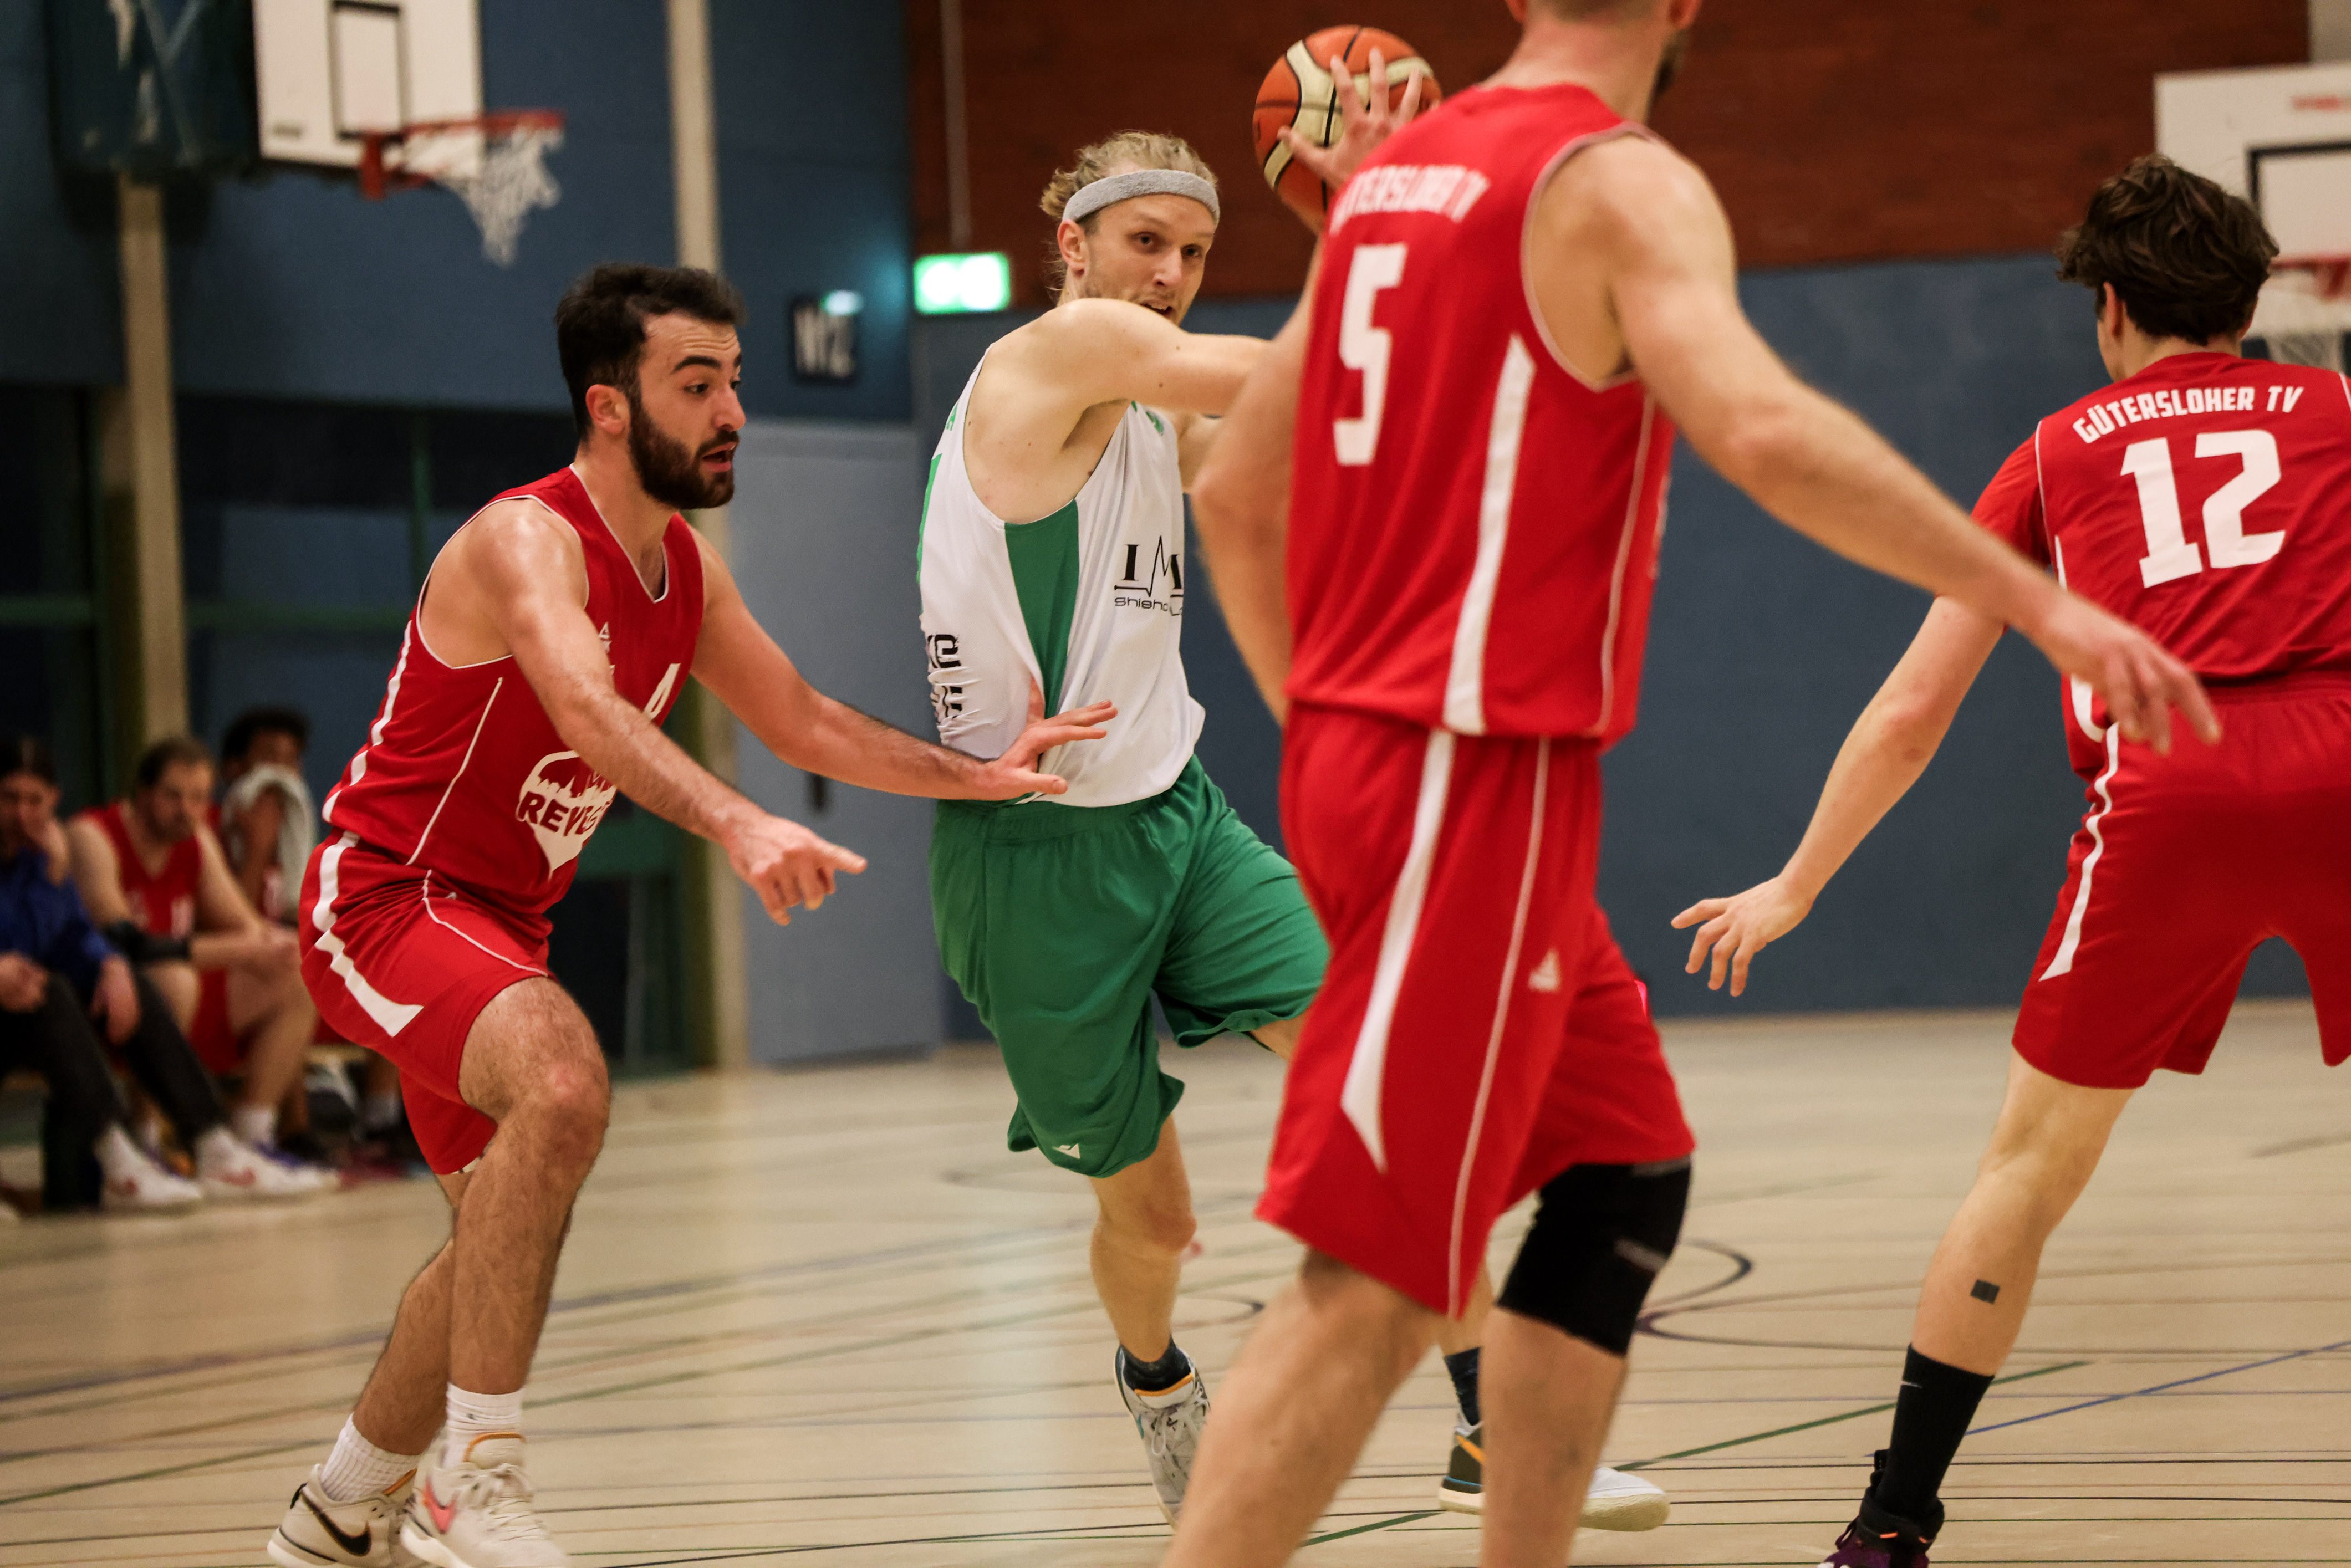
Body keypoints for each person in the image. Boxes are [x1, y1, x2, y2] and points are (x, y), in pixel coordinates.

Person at [1176, 2, 2219, 1565]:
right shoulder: (1613, 178)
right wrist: (2039, 601)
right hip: (1463, 773)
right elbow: (1764, 431)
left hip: (1415, 765)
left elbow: (1236, 499)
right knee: (1377, 1276)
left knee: (1619, 1169)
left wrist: (1332, 729)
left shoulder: (1389, 183)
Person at [265, 262, 1109, 1568]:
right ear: (609, 406)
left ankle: (336, 1507)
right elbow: (587, 707)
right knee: (562, 1083)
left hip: (499, 927)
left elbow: (804, 718)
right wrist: (737, 822)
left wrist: (980, 773)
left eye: (735, 383)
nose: (732, 413)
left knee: (497, 1228)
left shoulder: (686, 574)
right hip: (387, 897)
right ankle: (469, 1482)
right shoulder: (524, 541)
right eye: (697, 384)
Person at [915, 122, 1665, 1529]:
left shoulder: (1151, 402)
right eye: (1145, 242)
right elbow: (1297, 378)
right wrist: (1378, 225)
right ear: (1071, 243)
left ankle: (1483, 1431)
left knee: (1394, 1086)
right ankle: (1154, 1378)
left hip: (1180, 822)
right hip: (1032, 861)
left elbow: (1292, 435)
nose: (1170, 273)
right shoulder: (1056, 354)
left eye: (1195, 252)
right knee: (1153, 1222)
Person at [1671, 155, 2350, 1568]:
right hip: (2341, 759)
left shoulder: (2051, 452)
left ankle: (1889, 1521)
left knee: (2027, 1169)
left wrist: (1795, 881)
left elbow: (1911, 710)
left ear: (2106, 309)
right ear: (2249, 305)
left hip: (2167, 784)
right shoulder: (2335, 408)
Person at [0, 736, 313, 1208]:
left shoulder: (40, 853)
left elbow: (69, 937)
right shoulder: (88, 835)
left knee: (125, 977)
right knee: (65, 989)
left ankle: (217, 1145)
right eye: (9, 799)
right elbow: (118, 936)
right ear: (143, 793)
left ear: (53, 800)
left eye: (34, 801)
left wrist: (107, 962)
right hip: (27, 1011)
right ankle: (123, 1156)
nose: (22, 814)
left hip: (33, 1008)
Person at [68, 736, 329, 1173]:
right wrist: (242, 945)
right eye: (173, 796)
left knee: (296, 969)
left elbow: (245, 925)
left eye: (198, 798)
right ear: (143, 792)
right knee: (173, 980)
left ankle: (252, 1135)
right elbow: (127, 944)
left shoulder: (196, 839)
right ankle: (147, 1138)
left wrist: (280, 943)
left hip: (181, 1000)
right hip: (104, 1000)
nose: (187, 810)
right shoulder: (93, 834)